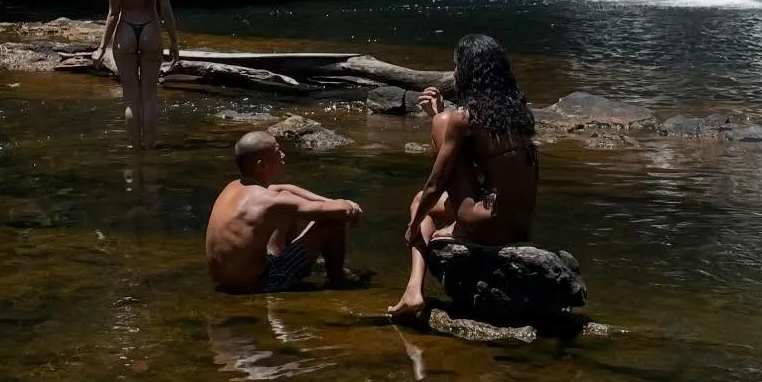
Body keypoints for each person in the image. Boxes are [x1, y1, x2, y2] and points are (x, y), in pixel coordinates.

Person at [387, 34, 539, 319]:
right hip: (520, 228)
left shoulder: (464, 118)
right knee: (423, 197)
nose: (454, 73)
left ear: (470, 72)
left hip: (484, 226)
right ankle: (415, 289)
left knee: (421, 201)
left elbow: (436, 183)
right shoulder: (519, 114)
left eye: (457, 66)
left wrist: (413, 226)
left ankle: (414, 290)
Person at [206, 131, 364, 293]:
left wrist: (328, 201)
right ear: (261, 166)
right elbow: (341, 211)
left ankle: (293, 257)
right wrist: (350, 206)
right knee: (333, 219)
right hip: (260, 283)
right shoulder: (270, 201)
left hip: (227, 281)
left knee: (286, 200)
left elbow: (284, 189)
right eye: (277, 151)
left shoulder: (234, 187)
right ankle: (337, 279)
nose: (283, 155)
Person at [93, 0, 180, 149]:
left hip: (126, 31)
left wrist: (102, 47)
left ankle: (135, 151)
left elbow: (113, 14)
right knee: (149, 96)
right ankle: (150, 149)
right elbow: (166, 10)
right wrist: (174, 41)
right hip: (151, 29)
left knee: (131, 98)